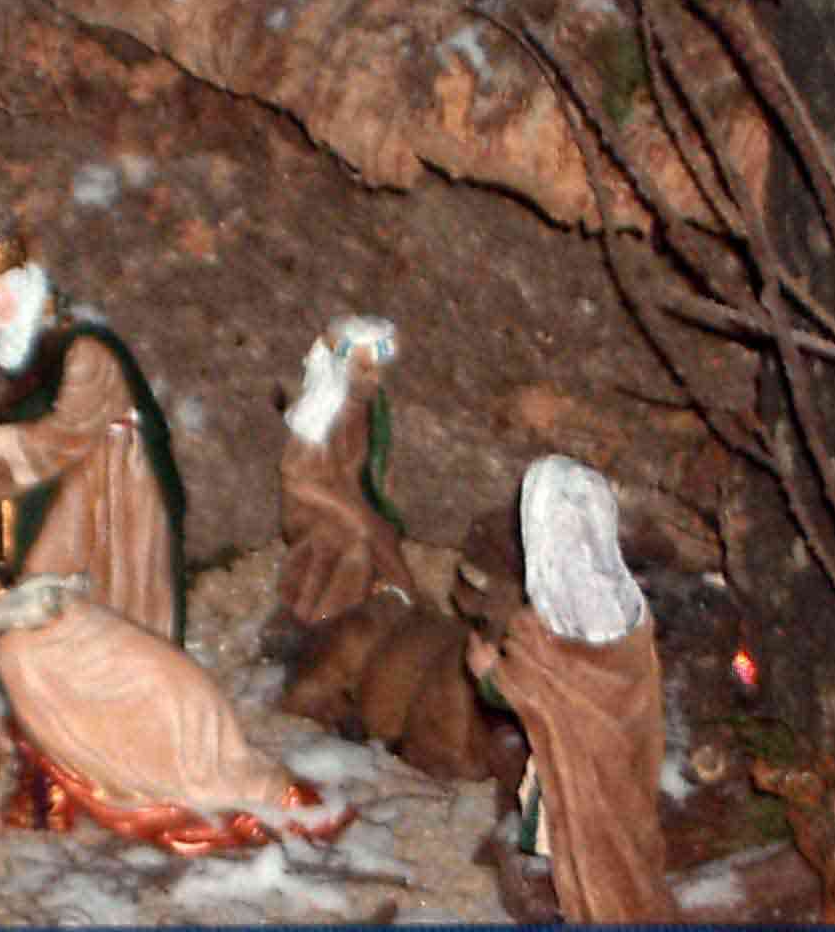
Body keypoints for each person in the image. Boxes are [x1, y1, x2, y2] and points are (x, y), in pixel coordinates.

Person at [0, 551, 349, 856]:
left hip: (157, 710)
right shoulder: (40, 614)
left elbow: (57, 745)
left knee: (190, 789)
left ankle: (287, 814)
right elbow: (70, 706)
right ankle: (291, 803)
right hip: (180, 694)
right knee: (223, 774)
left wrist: (18, 806)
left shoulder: (15, 651)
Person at [0, 233, 187, 642]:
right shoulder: (42, 352)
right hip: (74, 483)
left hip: (115, 486)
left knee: (108, 593)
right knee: (45, 583)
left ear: (24, 290)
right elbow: (28, 422)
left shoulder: (85, 349)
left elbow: (68, 432)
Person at [464, 455, 679, 923]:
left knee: (593, 860)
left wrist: (489, 672)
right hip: (625, 755)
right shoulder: (625, 598)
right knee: (627, 849)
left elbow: (538, 690)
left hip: (585, 768)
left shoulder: (557, 613)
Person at [276, 315, 421, 626]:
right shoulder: (321, 413)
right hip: (312, 507)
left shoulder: (369, 407)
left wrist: (375, 497)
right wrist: (347, 511)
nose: (375, 379)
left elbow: (367, 465)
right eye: (365, 370)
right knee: (359, 539)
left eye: (379, 370)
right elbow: (295, 478)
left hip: (349, 497)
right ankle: (323, 621)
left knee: (379, 532)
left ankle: (400, 601)